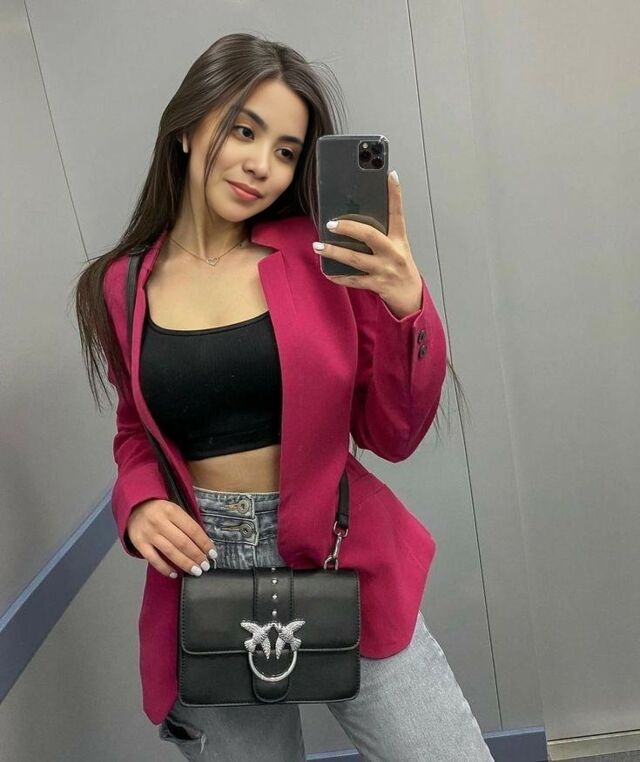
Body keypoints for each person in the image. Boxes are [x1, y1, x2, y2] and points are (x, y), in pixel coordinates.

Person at [74, 32, 492, 762]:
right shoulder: (122, 284)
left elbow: (393, 433)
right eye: (244, 131)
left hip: (338, 550)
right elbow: (137, 428)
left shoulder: (319, 255)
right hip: (202, 573)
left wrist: (406, 305)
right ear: (187, 128)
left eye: (287, 151)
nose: (261, 165)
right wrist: (139, 503)